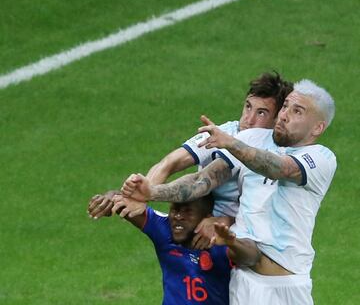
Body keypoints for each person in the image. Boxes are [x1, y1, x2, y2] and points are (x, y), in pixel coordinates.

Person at [120, 79, 337, 305]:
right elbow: (202, 180)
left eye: (297, 111)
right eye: (285, 107)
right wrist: (152, 191)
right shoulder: (251, 139)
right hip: (242, 282)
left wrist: (232, 144)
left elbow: (279, 168)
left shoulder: (321, 158)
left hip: (285, 287)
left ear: (317, 127)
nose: (284, 115)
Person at [91, 71, 293, 248]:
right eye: (248, 107)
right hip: (198, 227)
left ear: (277, 119)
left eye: (261, 113)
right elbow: (170, 163)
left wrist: (225, 221)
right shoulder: (225, 132)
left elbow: (267, 216)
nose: (248, 120)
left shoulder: (277, 159)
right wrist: (138, 196)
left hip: (239, 239)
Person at [88, 193, 260, 305]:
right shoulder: (164, 231)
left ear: (206, 218)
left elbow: (252, 257)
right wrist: (110, 199)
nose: (178, 217)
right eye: (175, 210)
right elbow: (124, 203)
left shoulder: (219, 240)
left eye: (187, 212)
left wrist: (232, 241)